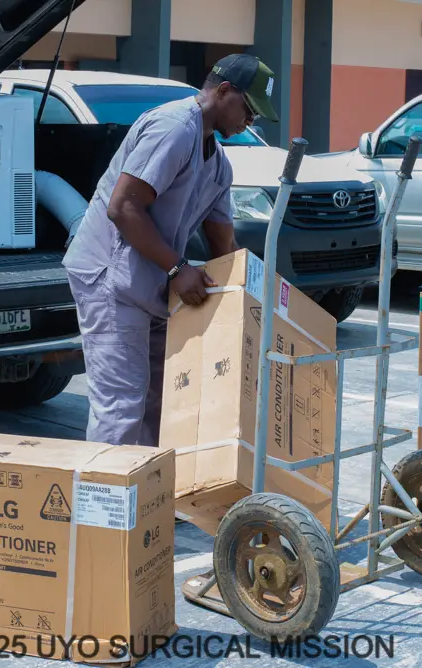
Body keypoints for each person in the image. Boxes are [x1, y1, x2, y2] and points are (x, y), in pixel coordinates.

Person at [62, 53, 280, 447]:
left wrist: (259, 296)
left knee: (162, 402)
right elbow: (122, 207)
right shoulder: (174, 128)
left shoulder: (219, 165)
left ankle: (147, 486)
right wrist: (179, 269)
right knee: (121, 406)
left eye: (256, 116)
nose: (249, 121)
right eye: (248, 109)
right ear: (223, 91)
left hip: (151, 283)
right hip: (109, 277)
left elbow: (224, 246)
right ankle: (102, 489)